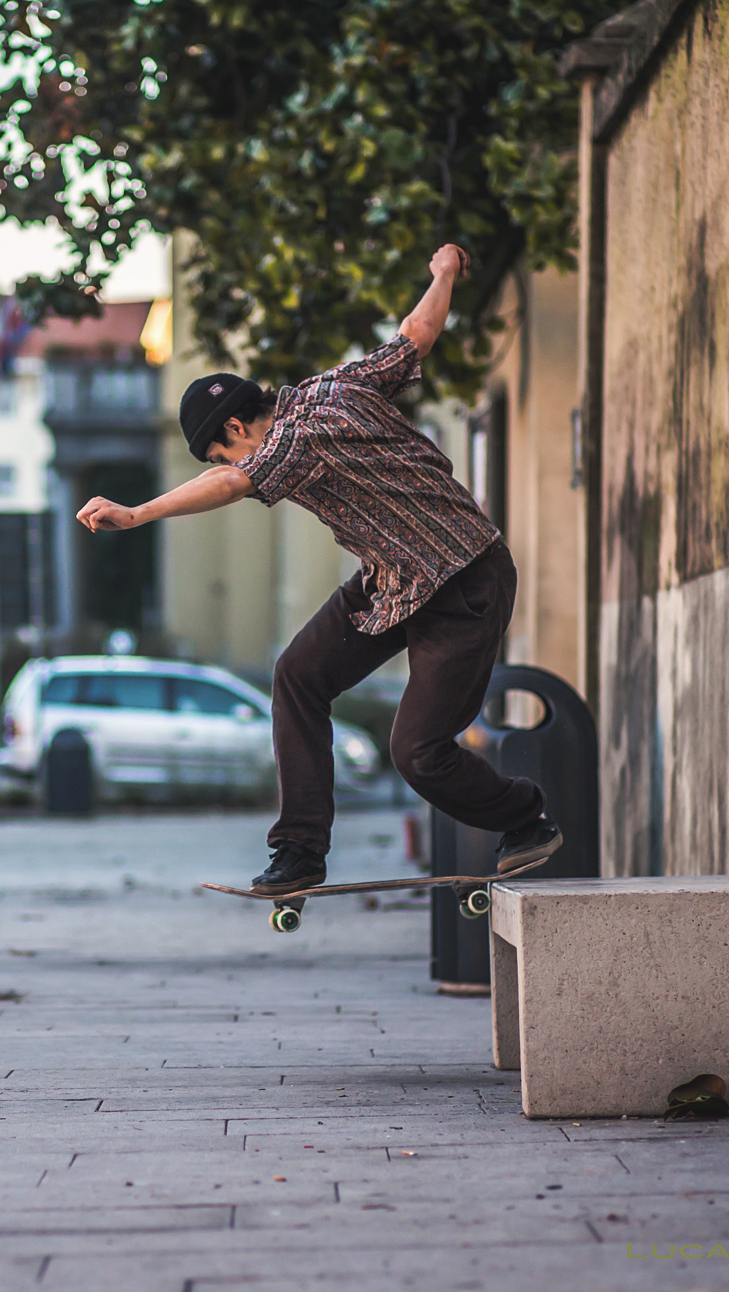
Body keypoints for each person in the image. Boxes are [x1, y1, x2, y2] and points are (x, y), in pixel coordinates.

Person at [76, 243, 561, 893]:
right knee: (298, 674)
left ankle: (525, 817)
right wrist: (444, 272)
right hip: (394, 578)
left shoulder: (289, 442)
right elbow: (416, 335)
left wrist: (137, 513)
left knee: (418, 752)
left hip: (462, 579)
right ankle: (300, 849)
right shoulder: (336, 384)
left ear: (237, 427)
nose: (232, 462)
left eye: (222, 451)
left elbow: (231, 482)